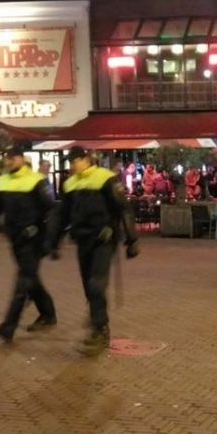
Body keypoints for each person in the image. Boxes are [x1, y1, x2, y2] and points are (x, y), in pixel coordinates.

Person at [51, 149, 140, 357]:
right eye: (70, 162)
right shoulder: (70, 184)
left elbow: (123, 208)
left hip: (104, 239)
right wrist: (54, 242)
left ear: (85, 159)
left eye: (74, 161)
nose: (72, 165)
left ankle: (100, 329)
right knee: (89, 288)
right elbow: (63, 216)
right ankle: (97, 323)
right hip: (83, 240)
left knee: (95, 284)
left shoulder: (105, 178)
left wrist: (131, 239)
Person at [0, 142, 57, 343]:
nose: (8, 161)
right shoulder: (4, 181)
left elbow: (51, 210)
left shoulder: (36, 181)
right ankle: (48, 314)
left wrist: (48, 237)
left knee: (23, 282)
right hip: (15, 239)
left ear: (22, 159)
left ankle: (8, 326)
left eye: (12, 158)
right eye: (7, 158)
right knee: (31, 279)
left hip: (34, 240)